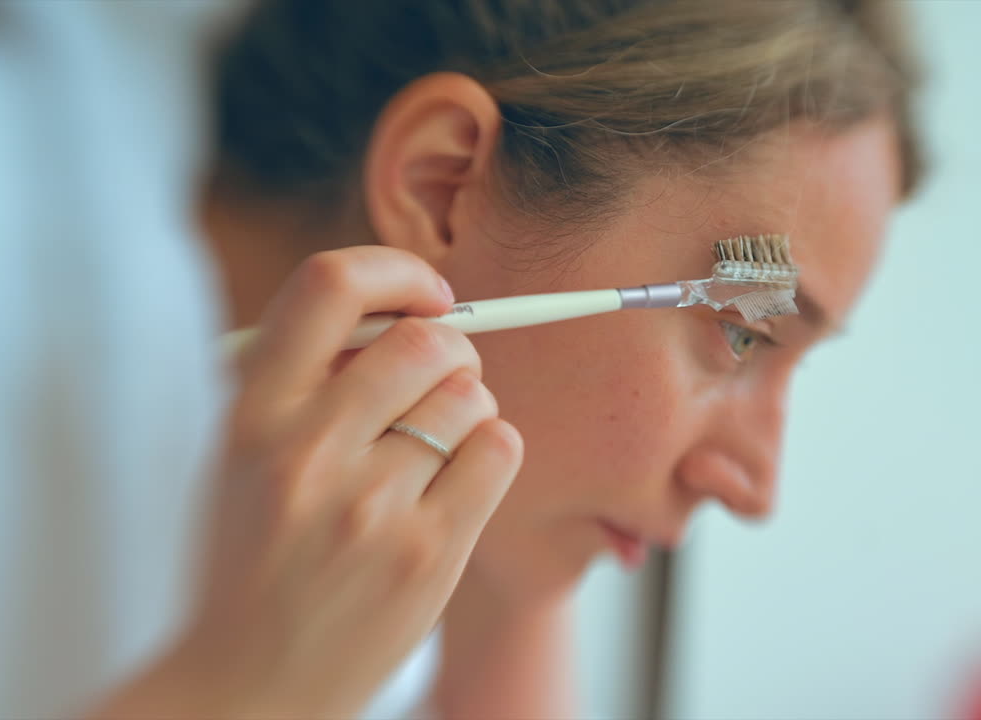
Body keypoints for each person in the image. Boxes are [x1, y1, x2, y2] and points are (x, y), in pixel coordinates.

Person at [195, 0, 925, 717]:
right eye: (743, 336)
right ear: (441, 186)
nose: (754, 488)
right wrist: (247, 696)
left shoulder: (419, 539)